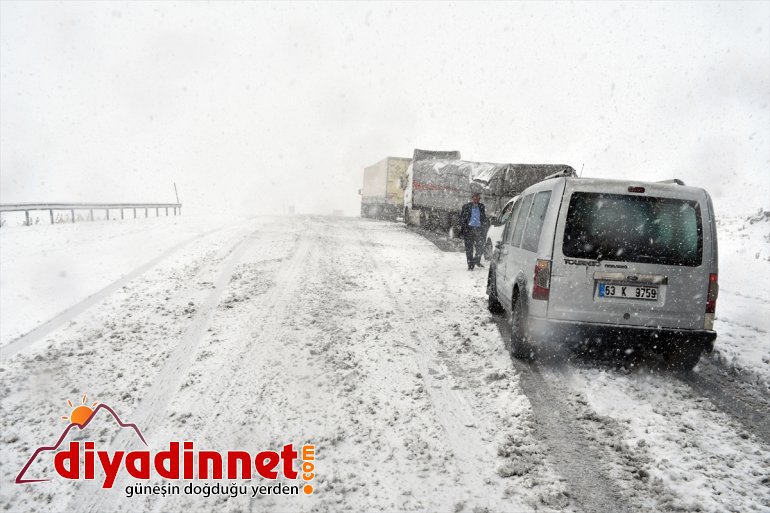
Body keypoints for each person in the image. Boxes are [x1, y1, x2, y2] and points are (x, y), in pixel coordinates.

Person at [460, 192, 487, 270]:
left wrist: (484, 227)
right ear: (472, 198)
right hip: (469, 230)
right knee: (469, 249)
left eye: (477, 198)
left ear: (479, 199)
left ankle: (476, 260)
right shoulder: (466, 207)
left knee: (480, 247)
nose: (476, 199)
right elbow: (462, 218)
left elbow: (483, 218)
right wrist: (464, 228)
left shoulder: (482, 207)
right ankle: (470, 265)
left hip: (479, 230)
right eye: (474, 198)